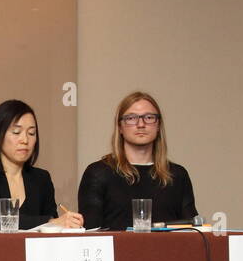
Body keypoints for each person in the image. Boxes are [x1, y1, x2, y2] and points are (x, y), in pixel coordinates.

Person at [77, 91, 198, 229]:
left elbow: (192, 229)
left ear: (158, 125)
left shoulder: (177, 175)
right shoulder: (98, 173)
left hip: (168, 250)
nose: (141, 124)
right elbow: (90, 231)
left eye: (149, 117)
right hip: (118, 251)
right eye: (131, 118)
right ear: (120, 127)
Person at [0, 99, 83, 231]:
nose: (25, 140)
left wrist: (64, 223)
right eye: (16, 132)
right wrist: (51, 221)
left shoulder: (42, 179)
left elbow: (51, 229)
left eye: (31, 133)